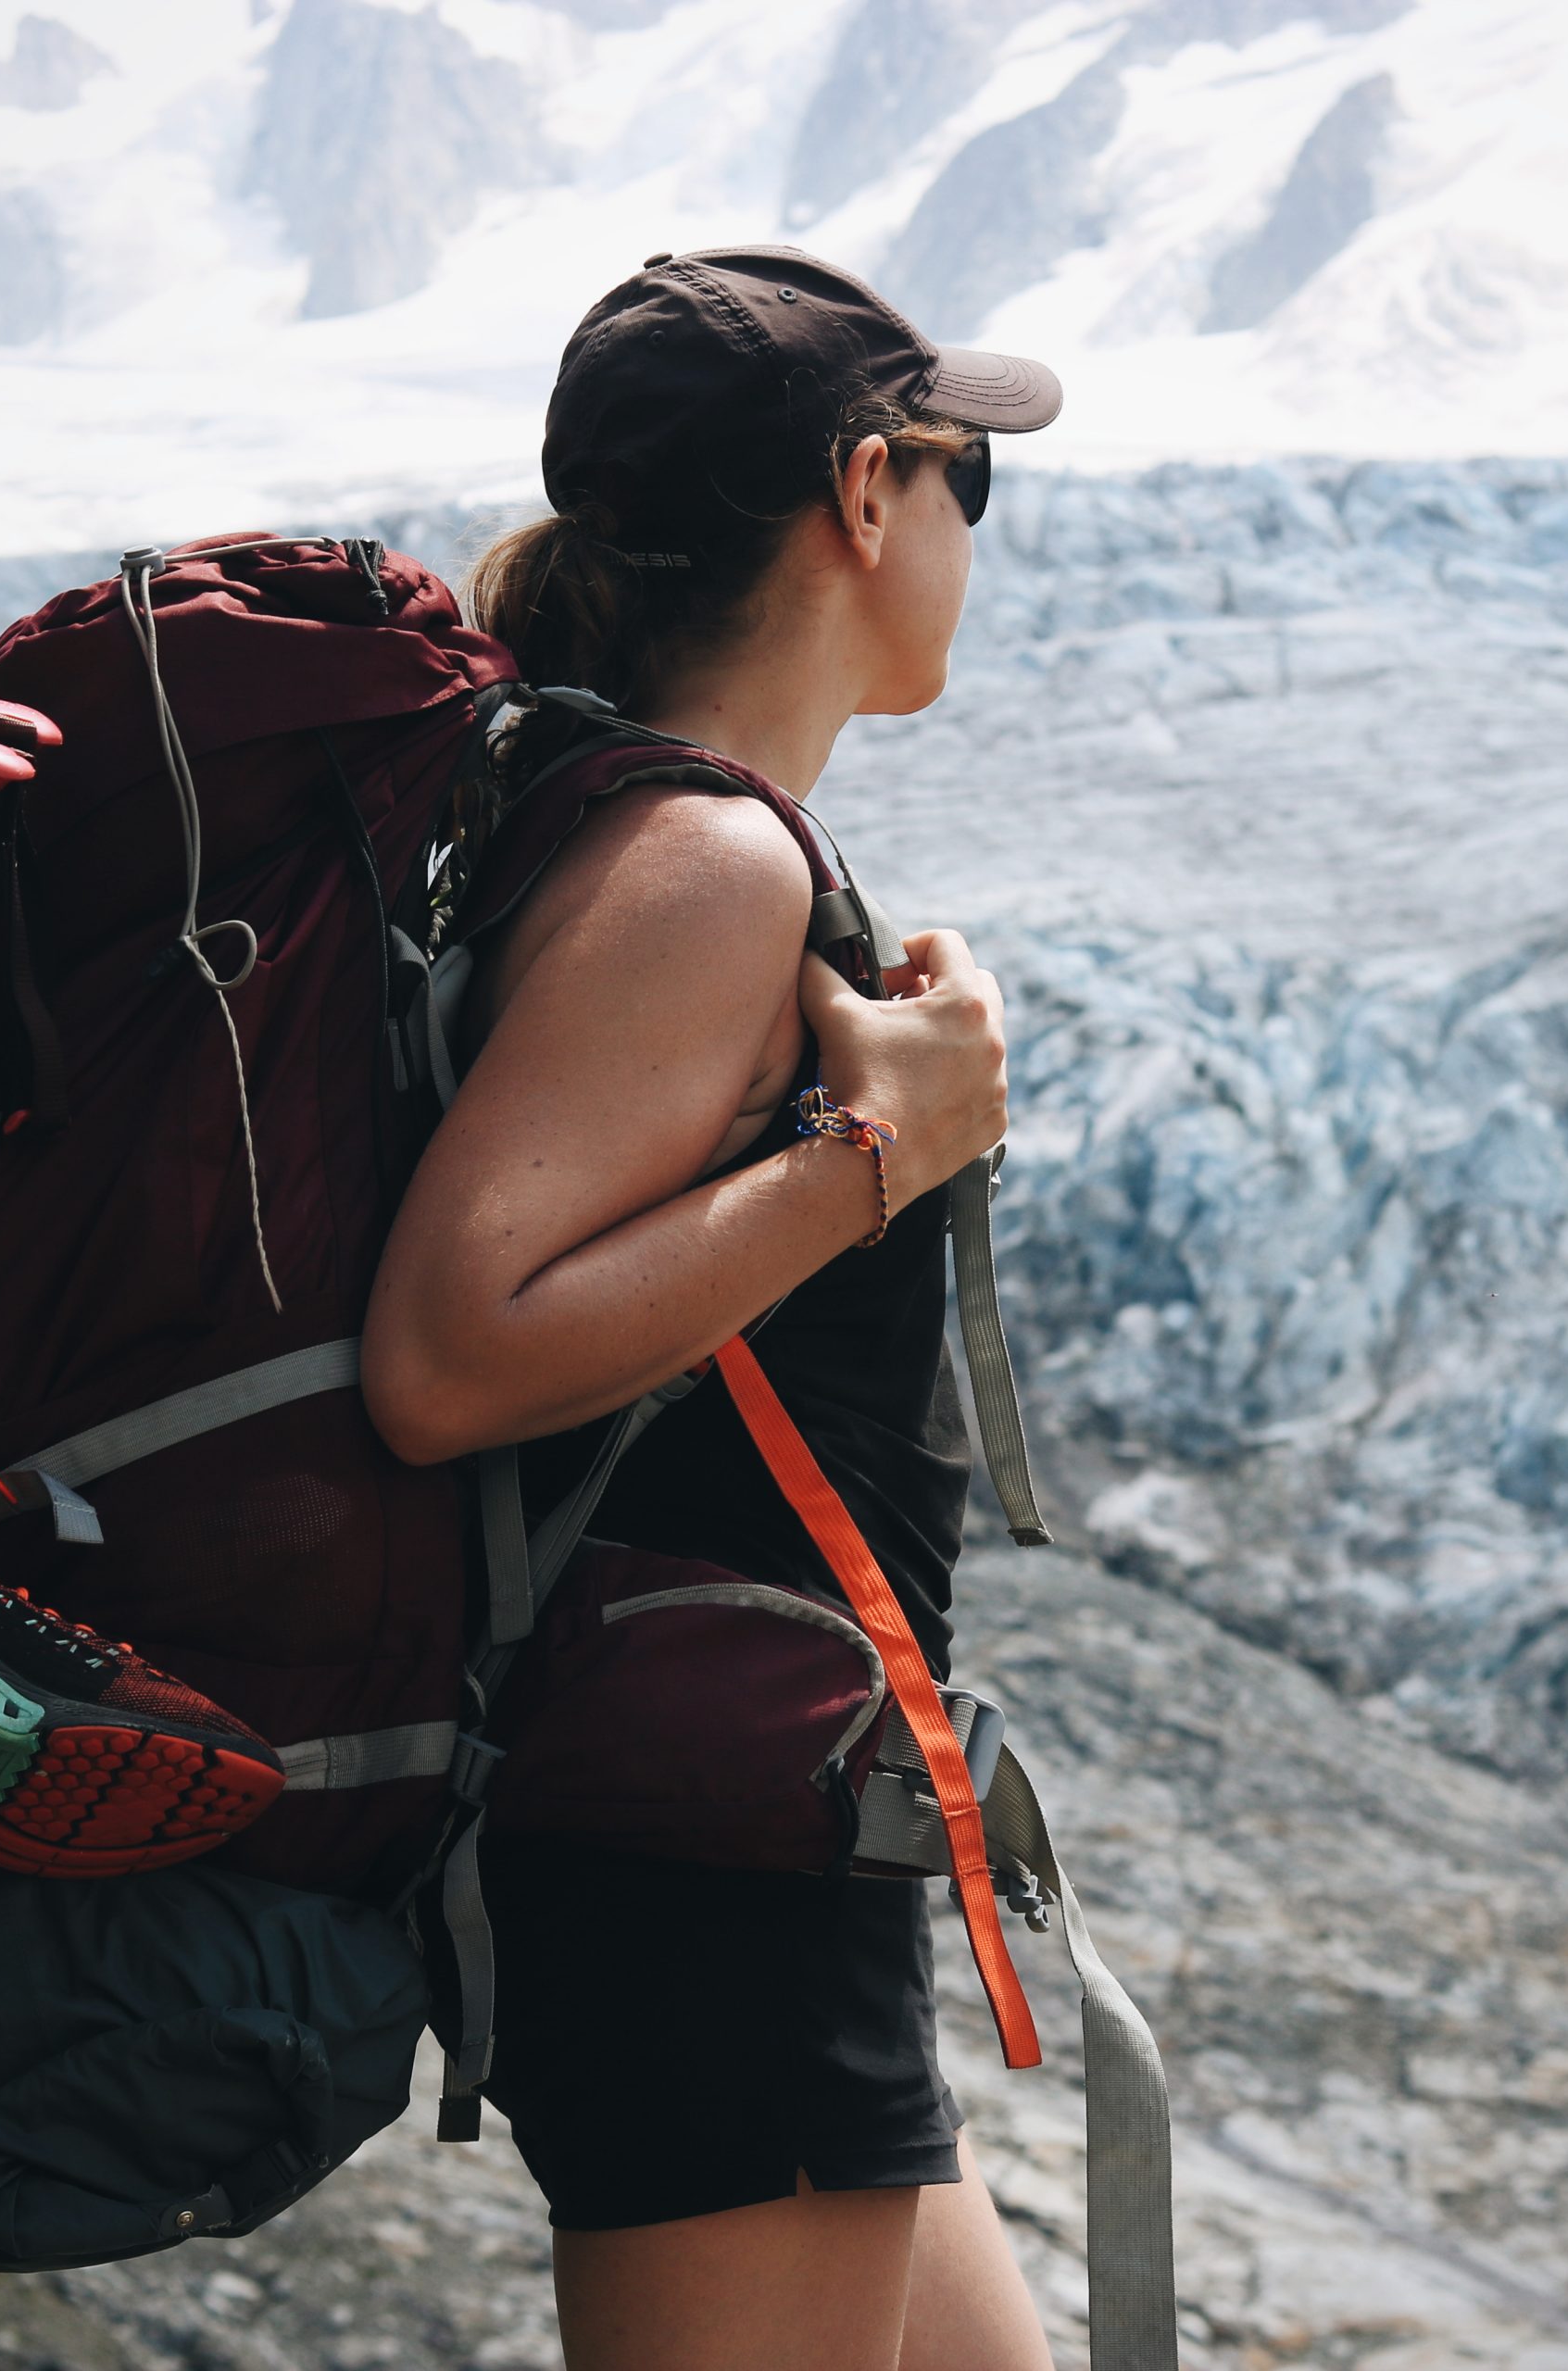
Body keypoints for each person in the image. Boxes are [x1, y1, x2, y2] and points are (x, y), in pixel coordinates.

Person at [357, 248, 1062, 2371]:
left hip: (749, 1829)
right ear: (864, 492)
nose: (965, 535)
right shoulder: (706, 864)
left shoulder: (630, 821)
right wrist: (881, 1153)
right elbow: (449, 1351)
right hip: (700, 1875)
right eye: (968, 484)